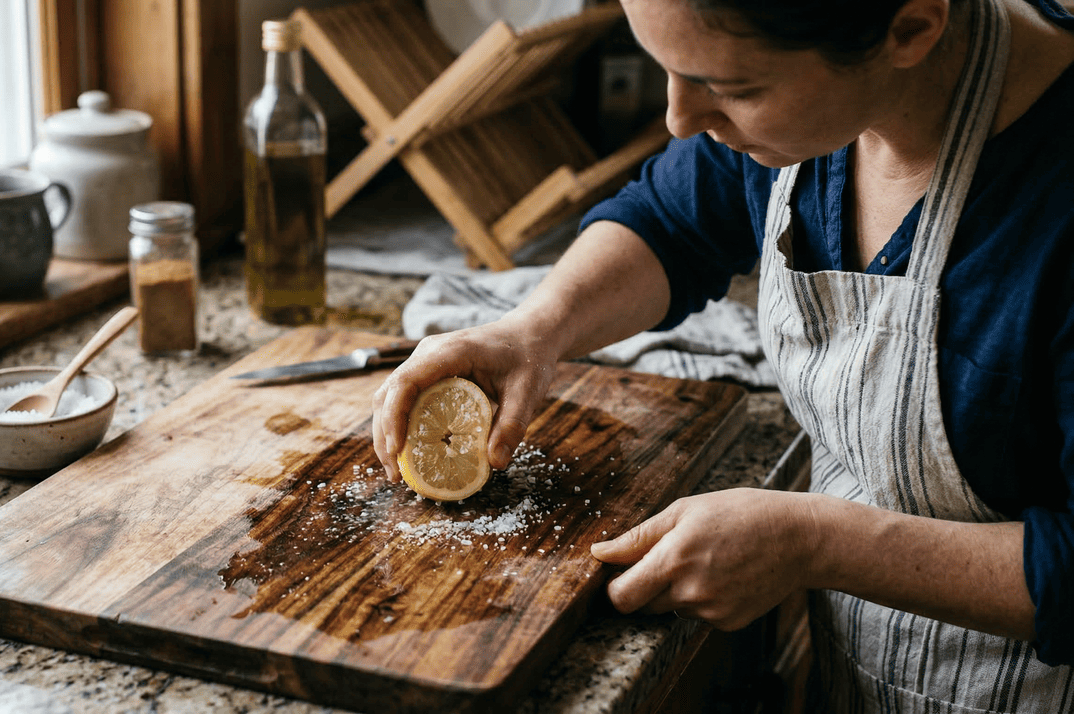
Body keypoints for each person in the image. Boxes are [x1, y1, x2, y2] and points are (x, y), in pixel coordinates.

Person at [371, 0, 1074, 709]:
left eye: (733, 88)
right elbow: (672, 222)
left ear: (910, 28)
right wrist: (532, 330)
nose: (679, 119)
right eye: (667, 70)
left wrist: (815, 545)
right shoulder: (816, 105)